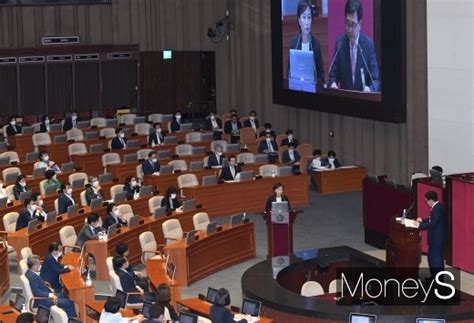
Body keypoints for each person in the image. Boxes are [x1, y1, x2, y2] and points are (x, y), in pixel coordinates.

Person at [328, 0, 381, 92]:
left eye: (353, 24)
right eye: (347, 23)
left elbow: (376, 80)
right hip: (345, 101)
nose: (349, 30)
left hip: (364, 101)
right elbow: (333, 74)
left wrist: (370, 89)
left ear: (360, 23)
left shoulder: (368, 45)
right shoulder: (340, 43)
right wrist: (333, 83)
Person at [287, 0, 325, 87]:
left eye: (309, 17)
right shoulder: (294, 43)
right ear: (299, 21)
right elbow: (288, 74)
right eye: (304, 17)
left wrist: (312, 82)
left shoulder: (316, 45)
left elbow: (321, 77)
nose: (307, 22)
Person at [416, 191, 448, 280]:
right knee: (432, 258)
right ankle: (434, 277)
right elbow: (431, 220)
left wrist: (419, 226)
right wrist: (422, 220)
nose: (426, 203)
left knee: (436, 259)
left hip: (437, 239)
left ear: (430, 200)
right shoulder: (437, 207)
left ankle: (438, 279)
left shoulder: (437, 209)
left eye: (426, 201)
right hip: (436, 239)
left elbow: (433, 224)